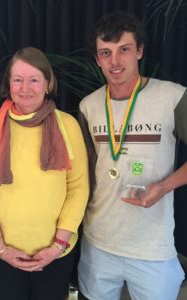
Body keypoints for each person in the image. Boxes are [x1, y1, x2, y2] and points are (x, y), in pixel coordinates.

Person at [78, 11, 187, 300]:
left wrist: (164, 187)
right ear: (98, 59)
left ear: (139, 51)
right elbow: (81, 172)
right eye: (106, 53)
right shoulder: (88, 106)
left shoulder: (173, 97)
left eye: (123, 50)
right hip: (98, 242)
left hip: (152, 247)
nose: (115, 61)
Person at [0, 47, 89, 300]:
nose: (25, 88)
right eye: (18, 79)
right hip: (1, 254)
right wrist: (0, 248)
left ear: (48, 83)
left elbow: (78, 189)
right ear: (8, 84)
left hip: (57, 253)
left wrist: (58, 246)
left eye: (34, 80)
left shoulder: (68, 125)